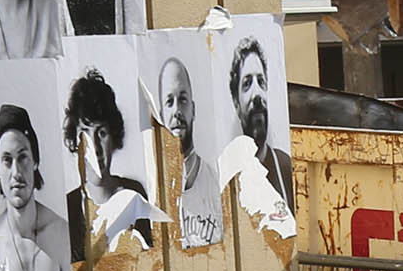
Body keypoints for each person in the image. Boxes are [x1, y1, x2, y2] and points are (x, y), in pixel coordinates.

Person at [0, 104, 73, 271]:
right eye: (7, 160)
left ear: (35, 161)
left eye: (22, 157)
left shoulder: (61, 233)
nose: (16, 172)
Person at [62, 69, 149, 254]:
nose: (95, 148)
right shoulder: (66, 211)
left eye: (101, 133)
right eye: (85, 134)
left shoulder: (135, 195)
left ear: (113, 137)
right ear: (75, 143)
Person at [154, 52, 218, 243]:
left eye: (182, 100)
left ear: (193, 109)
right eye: (169, 102)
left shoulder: (214, 182)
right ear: (160, 115)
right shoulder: (153, 189)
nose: (177, 111)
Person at [228, 36, 294, 206]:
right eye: (247, 83)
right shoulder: (228, 173)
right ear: (236, 100)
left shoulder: (286, 167)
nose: (257, 94)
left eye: (261, 81)